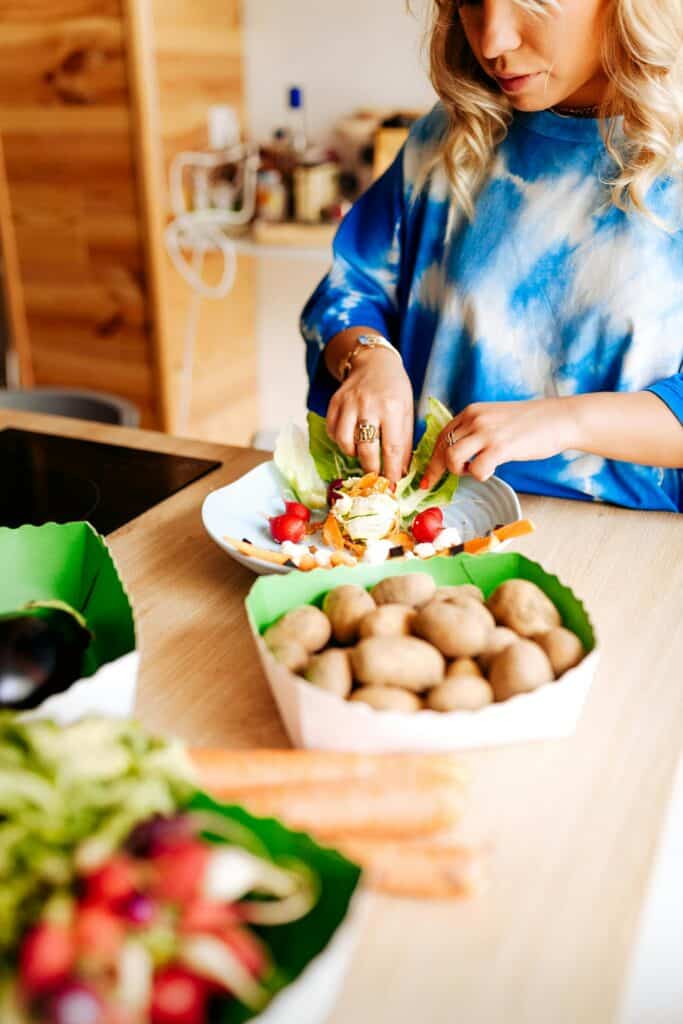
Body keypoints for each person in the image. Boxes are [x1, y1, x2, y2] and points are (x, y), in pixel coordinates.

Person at [300, 0, 683, 512]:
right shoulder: (450, 135)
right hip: (432, 529)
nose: (492, 42)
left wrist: (563, 421)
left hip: (619, 542)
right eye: (470, 3)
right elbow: (352, 292)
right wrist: (369, 357)